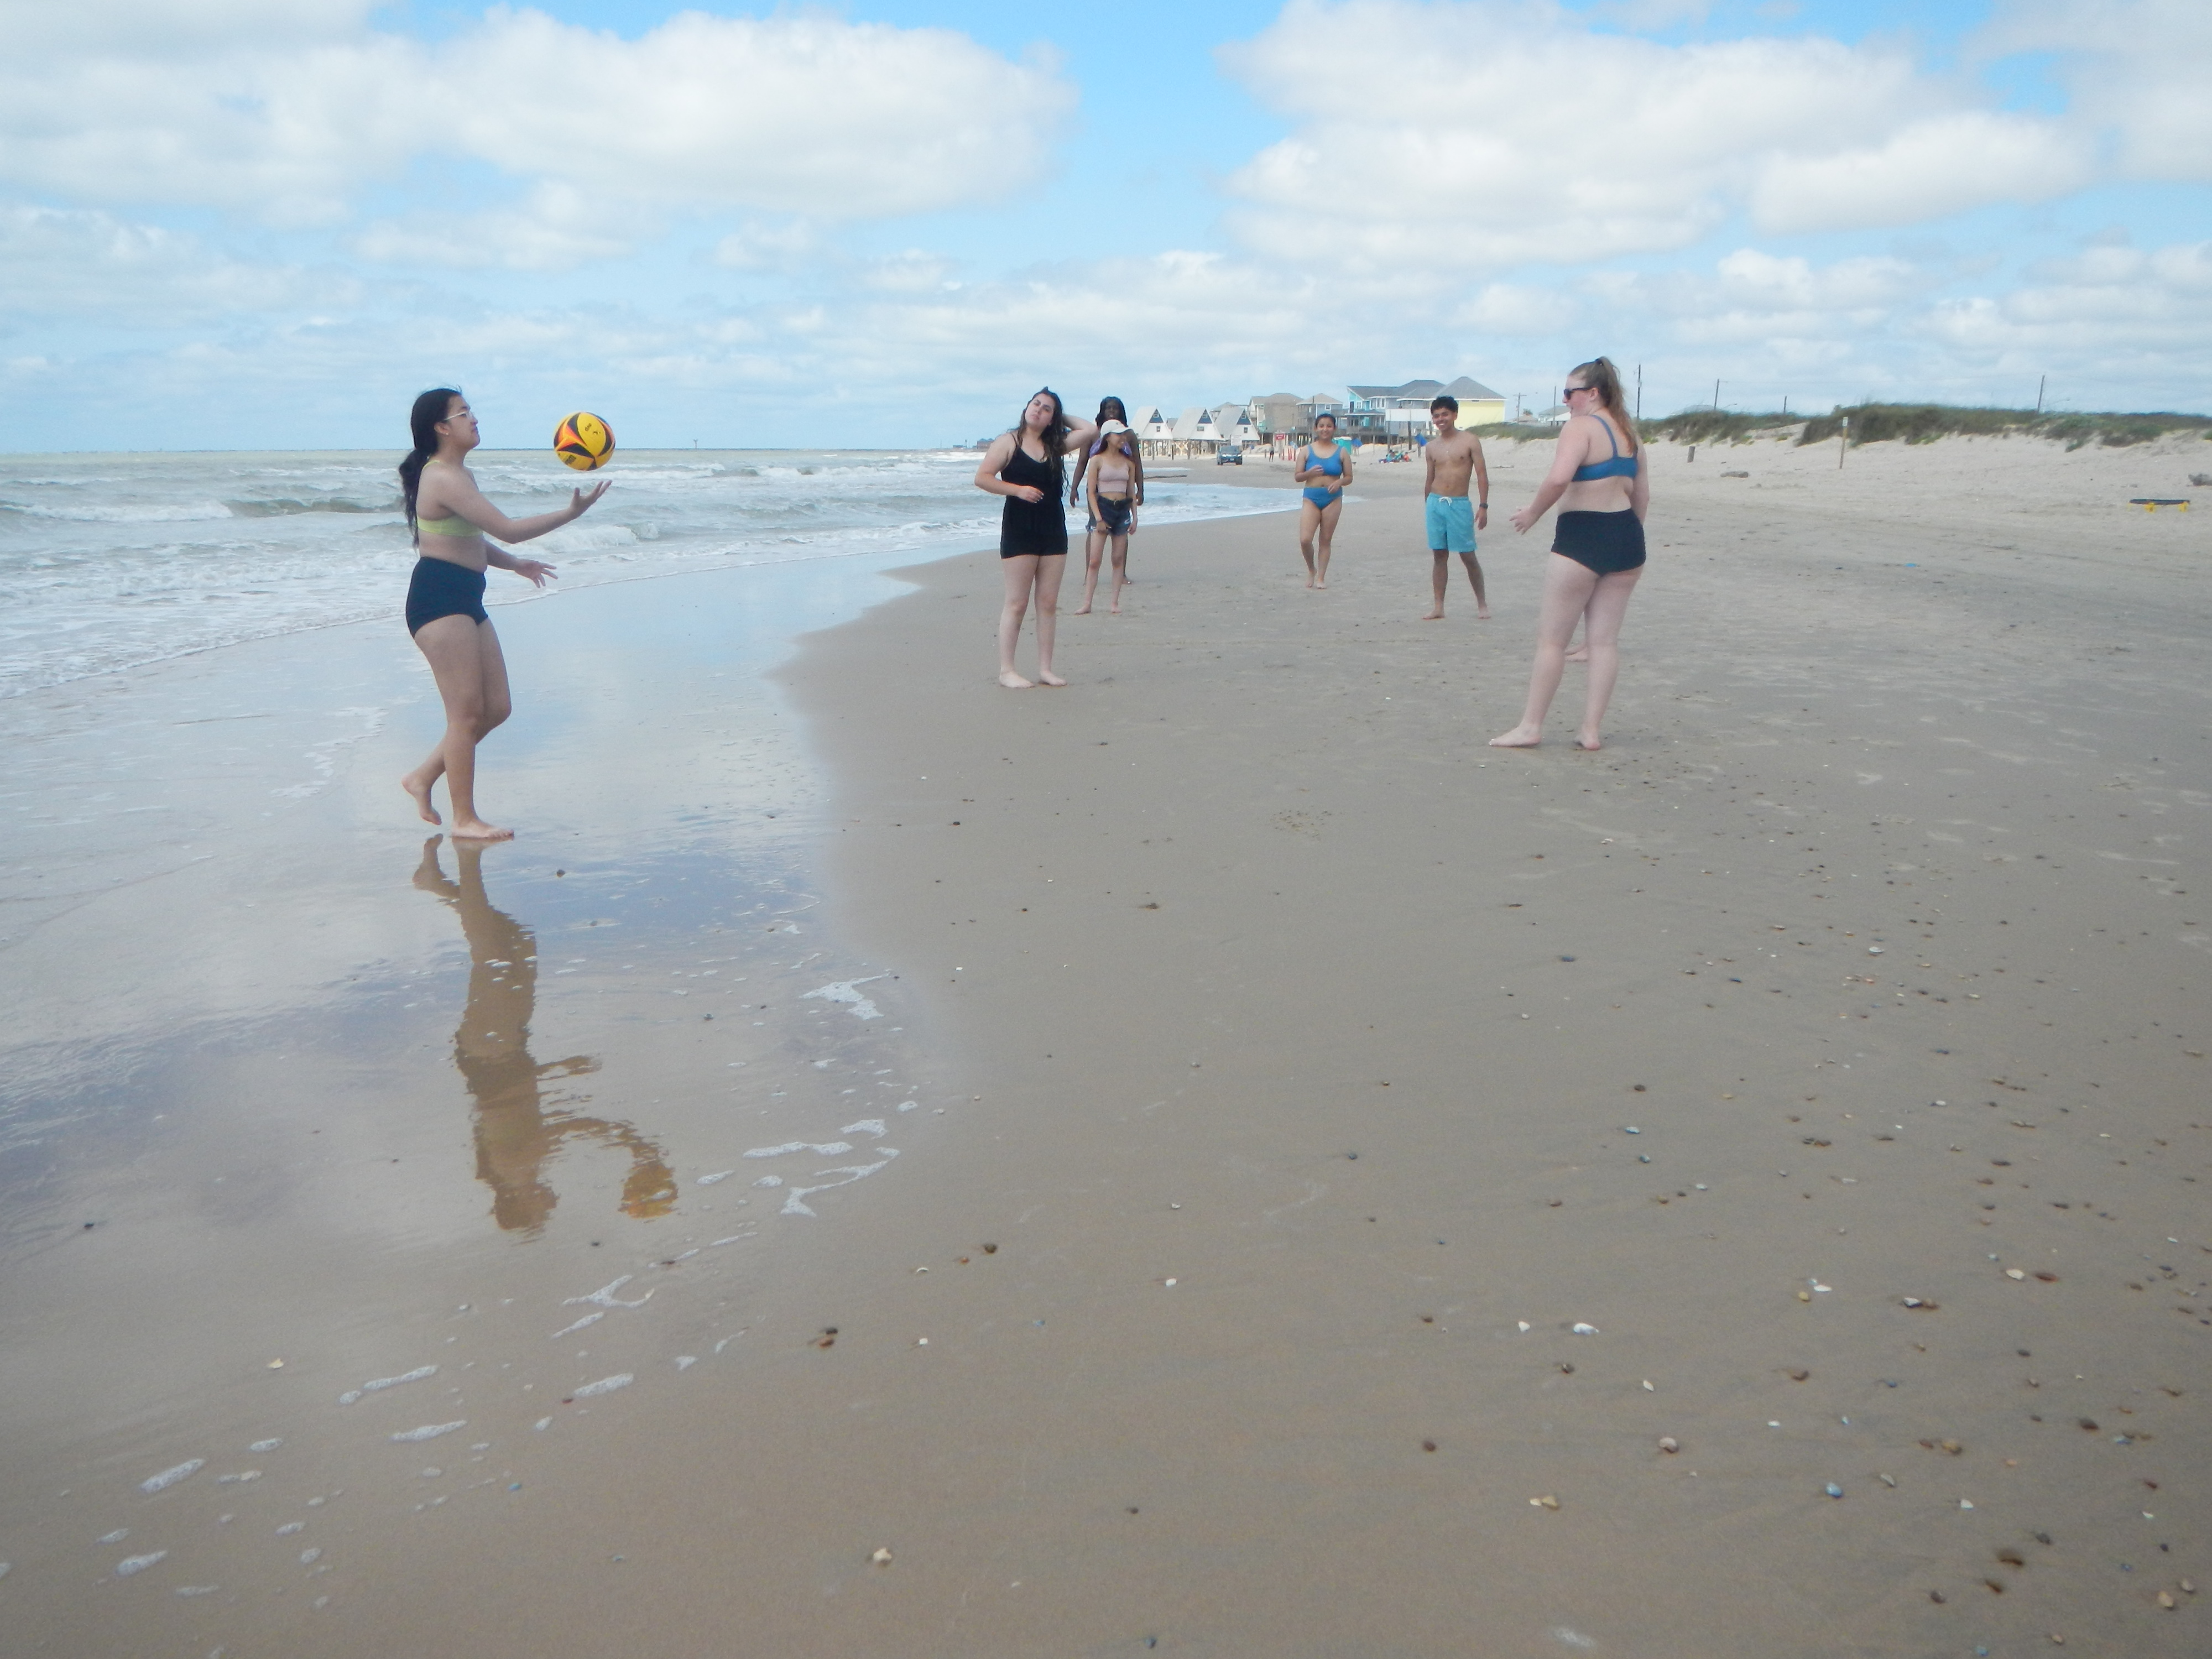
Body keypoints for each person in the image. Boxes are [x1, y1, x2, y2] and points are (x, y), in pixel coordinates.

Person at [414, 835, 672, 1231]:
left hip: (491, 1050)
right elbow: (528, 1108)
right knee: (519, 943)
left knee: (492, 955)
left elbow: (558, 1123)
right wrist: (560, 1071)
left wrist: (627, 1140)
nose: (550, 1206)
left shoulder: (515, 1167)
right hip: (505, 1051)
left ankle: (462, 868)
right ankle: (439, 885)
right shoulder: (521, 1167)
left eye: (541, 1213)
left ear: (520, 1204)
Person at [398, 389, 608, 839]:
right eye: (463, 413)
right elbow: (509, 531)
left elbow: (468, 541)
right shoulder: (443, 478)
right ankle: (464, 820)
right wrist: (572, 513)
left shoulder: (458, 474)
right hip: (438, 601)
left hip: (465, 597)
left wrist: (516, 567)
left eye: (470, 411)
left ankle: (421, 779)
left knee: (497, 709)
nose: (473, 419)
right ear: (442, 427)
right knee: (465, 715)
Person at [1490, 357, 1648, 751]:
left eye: (1570, 393)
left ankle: (1531, 726)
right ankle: (1590, 731)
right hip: (1627, 538)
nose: (1566, 401)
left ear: (1592, 393)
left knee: (1552, 642)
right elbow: (1641, 496)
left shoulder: (1581, 428)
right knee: (1605, 643)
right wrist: (1628, 537)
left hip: (1583, 537)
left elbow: (1560, 478)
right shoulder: (1631, 435)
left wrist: (1533, 513)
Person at [974, 387, 1099, 687]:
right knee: (1017, 602)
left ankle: (1045, 669)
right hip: (1020, 528)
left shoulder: (1055, 445)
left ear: (1052, 418)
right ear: (1026, 406)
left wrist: (1058, 415)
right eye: (1036, 404)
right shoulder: (1009, 442)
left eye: (1046, 409)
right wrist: (1017, 490)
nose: (1038, 410)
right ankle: (1007, 671)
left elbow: (1091, 430)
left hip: (1053, 528)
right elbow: (983, 478)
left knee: (1047, 602)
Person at [1419, 394, 1490, 619]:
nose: (1441, 419)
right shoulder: (1431, 447)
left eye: (1445, 414)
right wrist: (1427, 504)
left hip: (1459, 504)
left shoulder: (1470, 441)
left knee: (1468, 555)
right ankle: (1438, 606)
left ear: (1455, 415)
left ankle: (1482, 604)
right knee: (1439, 555)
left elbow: (1481, 474)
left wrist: (1483, 506)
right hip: (1435, 503)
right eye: (1437, 416)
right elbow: (1429, 478)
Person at [1072, 396, 1147, 586]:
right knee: (1095, 528)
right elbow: (1082, 462)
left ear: (1121, 412)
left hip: (1122, 490)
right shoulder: (1092, 434)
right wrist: (1074, 488)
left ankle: (1121, 574)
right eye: (1108, 409)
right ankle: (1089, 575)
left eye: (1115, 409)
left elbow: (1136, 464)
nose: (1112, 411)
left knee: (1121, 530)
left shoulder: (1128, 436)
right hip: (1097, 491)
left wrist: (1141, 489)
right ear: (1102, 411)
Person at [1073, 421, 1142, 615]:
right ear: (1107, 437)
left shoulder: (1129, 463)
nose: (1122, 438)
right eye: (1118, 435)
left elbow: (1131, 493)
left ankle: (1114, 603)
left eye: (1124, 435)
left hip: (1122, 510)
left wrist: (1135, 517)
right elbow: (1091, 493)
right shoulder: (1097, 460)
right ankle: (1087, 603)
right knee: (1095, 560)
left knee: (1118, 559)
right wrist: (1098, 518)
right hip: (1103, 509)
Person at [1292, 411, 1353, 588]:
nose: (1325, 429)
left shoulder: (1341, 452)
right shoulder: (1307, 451)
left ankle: (1321, 578)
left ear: (1334, 429)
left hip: (1333, 499)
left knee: (1325, 540)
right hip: (1311, 497)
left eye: (1329, 426)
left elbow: (1349, 477)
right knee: (1305, 540)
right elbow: (1297, 477)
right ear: (1316, 428)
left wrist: (1339, 482)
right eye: (1321, 426)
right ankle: (1312, 569)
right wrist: (1309, 474)